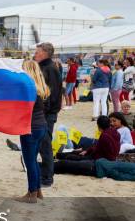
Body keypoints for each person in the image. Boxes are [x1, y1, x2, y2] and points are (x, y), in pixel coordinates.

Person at [15, 61, 49, 204]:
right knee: (34, 160)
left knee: (29, 162)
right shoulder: (41, 87)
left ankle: (32, 193)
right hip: (41, 126)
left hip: (30, 128)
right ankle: (38, 190)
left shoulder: (28, 87)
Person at [34, 42, 62, 188]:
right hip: (44, 113)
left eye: (37, 51)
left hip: (46, 114)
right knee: (41, 145)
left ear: (44, 53)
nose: (35, 54)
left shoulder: (50, 68)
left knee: (45, 146)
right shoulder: (44, 67)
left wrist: (42, 113)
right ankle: (43, 175)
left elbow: (50, 95)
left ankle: (47, 178)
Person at [54, 116, 120, 176]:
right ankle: (57, 156)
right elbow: (98, 147)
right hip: (100, 158)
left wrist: (87, 152)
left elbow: (98, 150)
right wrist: (87, 150)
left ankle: (55, 160)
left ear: (99, 127)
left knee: (72, 158)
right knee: (75, 154)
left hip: (98, 161)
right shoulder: (115, 132)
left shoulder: (105, 135)